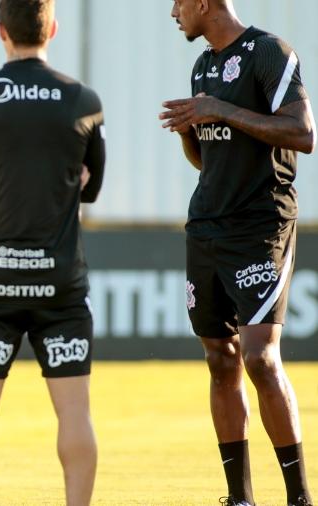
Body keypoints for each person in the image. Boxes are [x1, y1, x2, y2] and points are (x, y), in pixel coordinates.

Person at [161, 1, 315, 505]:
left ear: (204, 3)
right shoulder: (203, 64)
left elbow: (302, 133)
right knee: (220, 357)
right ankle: (240, 497)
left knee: (260, 358)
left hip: (259, 225)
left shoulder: (269, 52)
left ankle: (298, 497)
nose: (173, 13)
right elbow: (207, 158)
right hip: (206, 224)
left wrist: (217, 108)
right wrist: (190, 130)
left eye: (179, 3)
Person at [0, 1, 105, 505]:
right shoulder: (83, 100)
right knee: (75, 414)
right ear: (53, 29)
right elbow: (92, 186)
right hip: (59, 288)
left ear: (2, 31)